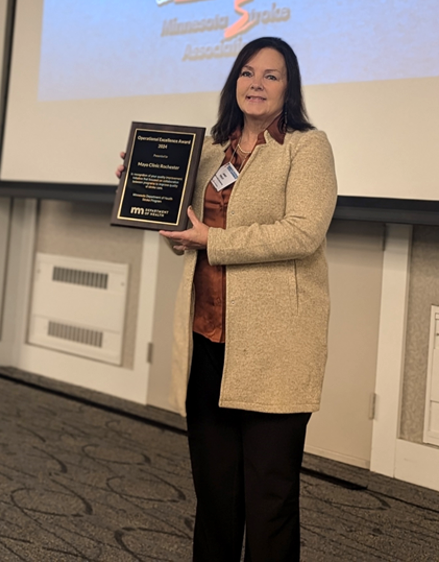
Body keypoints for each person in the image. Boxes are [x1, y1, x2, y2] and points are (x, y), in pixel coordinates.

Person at [117, 37, 337, 562]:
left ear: (289, 88)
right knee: (215, 497)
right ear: (234, 81)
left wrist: (211, 241)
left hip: (273, 349)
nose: (256, 83)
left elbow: (303, 233)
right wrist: (145, 189)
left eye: (271, 75)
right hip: (207, 339)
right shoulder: (211, 151)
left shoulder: (307, 147)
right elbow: (186, 237)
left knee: (269, 498)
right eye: (247, 72)